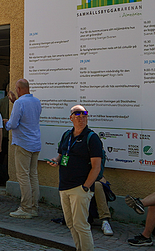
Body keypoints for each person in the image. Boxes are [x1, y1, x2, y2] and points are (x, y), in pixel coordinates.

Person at [45, 105, 102, 251]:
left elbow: (96, 167)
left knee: (81, 225)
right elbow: (61, 155)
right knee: (71, 224)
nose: (81, 119)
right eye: (78, 116)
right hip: (64, 186)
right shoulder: (67, 135)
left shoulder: (92, 138)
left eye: (84, 116)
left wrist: (85, 187)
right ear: (71, 118)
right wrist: (56, 160)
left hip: (80, 187)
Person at [4, 79, 42, 219]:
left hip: (23, 142)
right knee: (33, 175)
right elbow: (28, 117)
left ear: (18, 89)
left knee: (23, 176)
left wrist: (6, 123)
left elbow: (13, 124)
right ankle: (34, 207)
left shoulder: (20, 103)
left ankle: (25, 208)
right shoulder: (36, 101)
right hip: (35, 142)